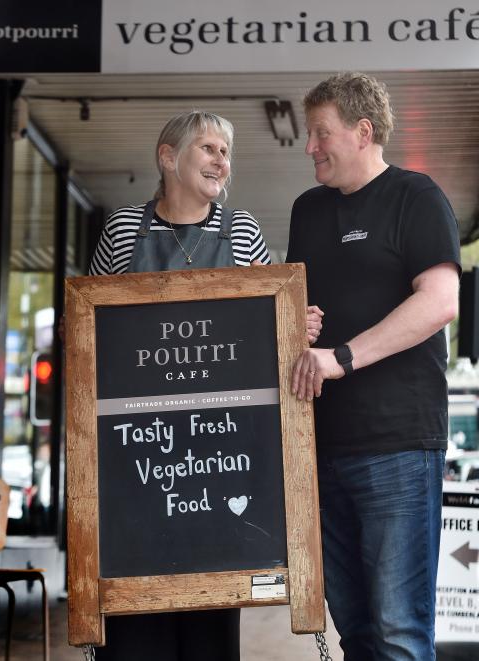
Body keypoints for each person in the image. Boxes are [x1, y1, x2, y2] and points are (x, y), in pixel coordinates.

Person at [287, 73, 461, 660]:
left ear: (363, 132)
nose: (310, 146)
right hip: (320, 451)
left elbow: (439, 302)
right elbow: (293, 310)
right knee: (356, 631)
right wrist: (297, 325)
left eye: (320, 133)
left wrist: (341, 356)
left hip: (398, 448)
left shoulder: (417, 197)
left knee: (398, 633)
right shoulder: (306, 210)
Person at [88, 110, 271, 660]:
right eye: (209, 148)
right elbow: (86, 332)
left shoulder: (242, 231)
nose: (223, 161)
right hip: (136, 459)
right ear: (169, 156)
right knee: (134, 635)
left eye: (226, 152)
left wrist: (295, 323)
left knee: (209, 634)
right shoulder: (123, 228)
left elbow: (265, 332)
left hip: (218, 456)